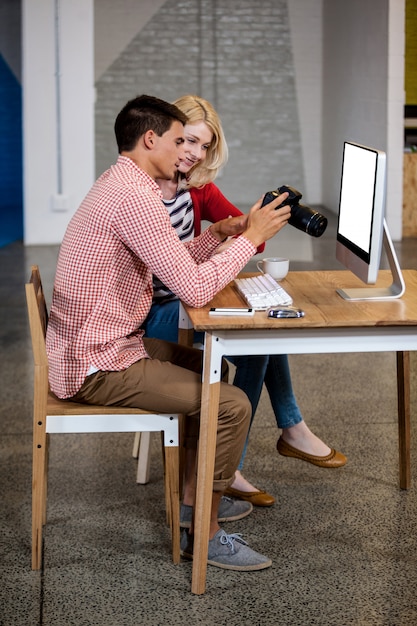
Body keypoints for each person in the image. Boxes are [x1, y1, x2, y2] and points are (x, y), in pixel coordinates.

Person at [45, 94, 293, 571]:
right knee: (232, 403)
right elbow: (194, 289)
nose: (189, 153)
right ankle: (205, 530)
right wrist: (248, 238)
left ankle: (191, 501)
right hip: (96, 363)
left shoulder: (123, 184)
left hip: (106, 343)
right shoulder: (135, 199)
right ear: (151, 139)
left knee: (213, 367)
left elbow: (173, 267)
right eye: (180, 140)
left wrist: (218, 234)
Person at [142, 94, 347, 511]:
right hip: (158, 316)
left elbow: (225, 244)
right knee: (258, 342)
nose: (194, 154)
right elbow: (173, 274)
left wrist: (235, 227)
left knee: (263, 325)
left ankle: (284, 432)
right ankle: (240, 456)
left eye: (204, 146)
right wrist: (232, 240)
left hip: (177, 298)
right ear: (167, 136)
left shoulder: (187, 186)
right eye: (188, 142)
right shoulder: (148, 195)